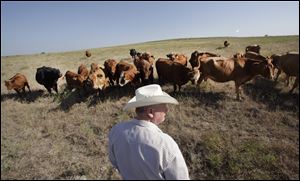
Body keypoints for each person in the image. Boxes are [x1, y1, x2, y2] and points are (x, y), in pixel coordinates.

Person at [108, 84, 190, 180]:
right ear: (150, 112)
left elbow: (114, 161)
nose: (167, 109)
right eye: (163, 105)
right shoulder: (164, 143)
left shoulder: (117, 130)